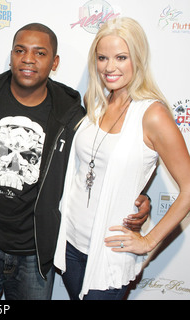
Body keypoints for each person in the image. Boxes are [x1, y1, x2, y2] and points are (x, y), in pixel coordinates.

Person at [0, 22, 150, 300]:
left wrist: (138, 194)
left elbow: (96, 162)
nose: (28, 59)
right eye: (20, 50)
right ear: (11, 55)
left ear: (54, 62)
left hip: (37, 247)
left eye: (40, 53)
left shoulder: (71, 114)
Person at [54, 17, 190, 300]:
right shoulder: (98, 102)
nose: (109, 67)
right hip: (70, 245)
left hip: (109, 254)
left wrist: (149, 240)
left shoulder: (153, 114)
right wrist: (142, 198)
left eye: (121, 57)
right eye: (102, 57)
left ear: (137, 59)